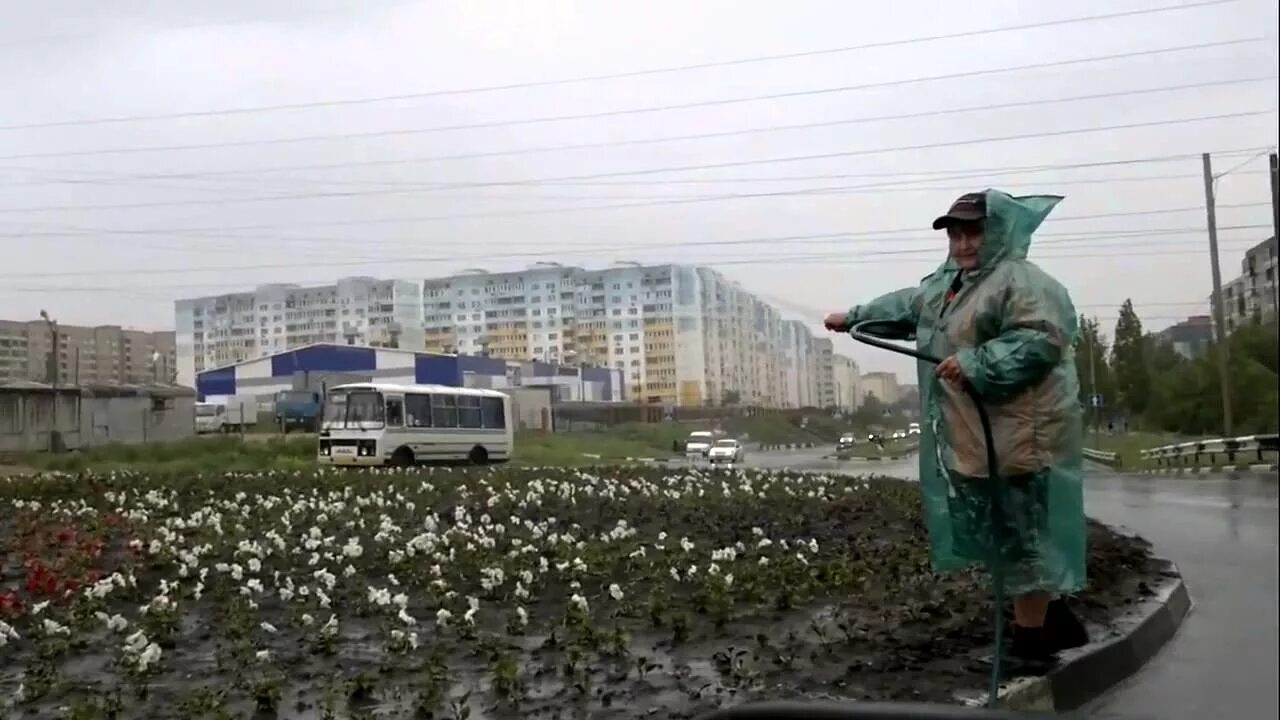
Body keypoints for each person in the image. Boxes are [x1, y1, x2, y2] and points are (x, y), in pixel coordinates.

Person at [824, 190, 1089, 664]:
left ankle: (1030, 647)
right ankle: (1054, 621)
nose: (963, 244)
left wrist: (977, 362)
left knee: (1022, 539)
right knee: (1003, 537)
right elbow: (911, 306)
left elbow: (1040, 339)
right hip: (976, 437)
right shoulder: (954, 285)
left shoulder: (1023, 282)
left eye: (973, 232)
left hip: (1018, 437)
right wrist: (856, 318)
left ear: (1000, 232)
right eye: (956, 234)